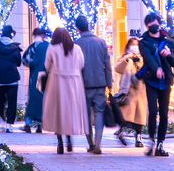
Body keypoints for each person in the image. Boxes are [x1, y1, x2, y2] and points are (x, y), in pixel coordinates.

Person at [41, 27, 90, 153]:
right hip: (74, 82)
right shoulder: (77, 48)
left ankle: (60, 143)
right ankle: (69, 139)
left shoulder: (52, 47)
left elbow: (46, 65)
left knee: (58, 111)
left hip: (56, 81)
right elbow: (82, 64)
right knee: (70, 111)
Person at [136, 12, 174, 157]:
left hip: (165, 80)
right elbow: (148, 57)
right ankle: (152, 141)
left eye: (157, 23)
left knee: (164, 114)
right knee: (153, 111)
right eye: (151, 24)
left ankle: (161, 143)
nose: (155, 26)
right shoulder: (143, 42)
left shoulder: (168, 42)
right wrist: (157, 69)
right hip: (151, 79)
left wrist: (169, 55)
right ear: (147, 26)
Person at [73, 16, 112, 155]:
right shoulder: (101, 42)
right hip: (100, 83)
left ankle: (90, 143)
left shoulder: (76, 44)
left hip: (83, 84)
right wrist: (109, 82)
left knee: (86, 115)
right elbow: (107, 64)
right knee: (99, 113)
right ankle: (98, 143)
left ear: (77, 28)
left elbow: (75, 66)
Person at [112, 35, 148, 147]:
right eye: (132, 45)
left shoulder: (143, 58)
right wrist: (128, 57)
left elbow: (145, 70)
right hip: (128, 92)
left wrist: (138, 61)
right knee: (125, 117)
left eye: (136, 45)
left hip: (141, 92)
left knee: (140, 117)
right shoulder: (124, 58)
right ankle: (121, 132)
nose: (135, 47)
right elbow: (118, 69)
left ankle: (138, 137)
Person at [0, 26, 24, 129]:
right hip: (12, 77)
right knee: (12, 101)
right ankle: (9, 124)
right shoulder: (15, 48)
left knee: (1, 100)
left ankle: (1, 118)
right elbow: (18, 63)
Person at [22, 27, 51, 133]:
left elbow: (25, 60)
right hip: (46, 77)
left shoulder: (31, 47)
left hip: (34, 76)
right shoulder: (48, 46)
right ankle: (39, 125)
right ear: (43, 35)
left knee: (32, 99)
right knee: (42, 99)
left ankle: (28, 124)